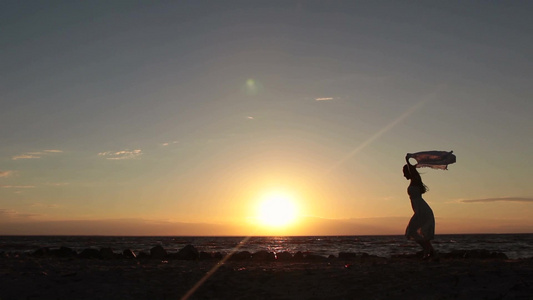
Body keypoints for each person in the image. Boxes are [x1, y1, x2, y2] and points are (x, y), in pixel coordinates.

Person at [403, 161, 436, 259]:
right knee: (413, 232)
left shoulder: (415, 180)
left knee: (411, 231)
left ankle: (428, 252)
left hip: (422, 210)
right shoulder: (414, 181)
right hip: (420, 210)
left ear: (409, 171)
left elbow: (411, 170)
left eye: (404, 172)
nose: (404, 175)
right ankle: (431, 253)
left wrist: (407, 160)